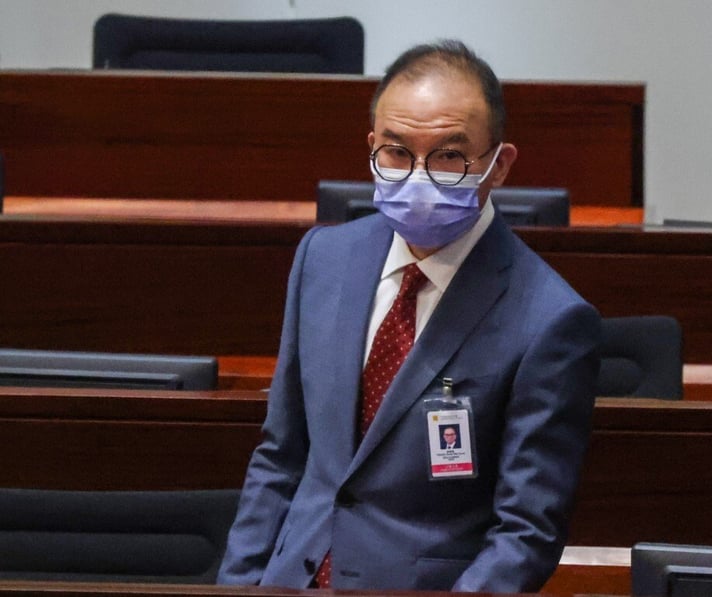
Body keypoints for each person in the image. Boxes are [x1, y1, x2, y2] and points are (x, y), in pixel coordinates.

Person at [217, 39, 601, 593]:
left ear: (499, 165)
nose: (418, 177)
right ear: (372, 147)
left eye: (449, 156)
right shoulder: (322, 259)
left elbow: (525, 533)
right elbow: (281, 458)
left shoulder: (550, 320)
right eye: (396, 153)